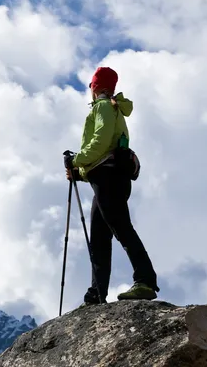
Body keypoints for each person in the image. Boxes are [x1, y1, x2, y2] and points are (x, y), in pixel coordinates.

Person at [66, 66, 159, 305]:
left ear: (95, 87)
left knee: (120, 228)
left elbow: (101, 140)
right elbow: (106, 151)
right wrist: (80, 173)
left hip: (108, 179)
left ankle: (145, 280)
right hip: (109, 177)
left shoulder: (103, 107)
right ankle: (97, 293)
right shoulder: (114, 108)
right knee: (99, 237)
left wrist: (77, 160)